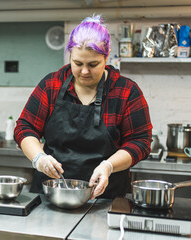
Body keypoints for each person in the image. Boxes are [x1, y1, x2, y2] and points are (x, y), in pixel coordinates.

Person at [14, 15, 152, 199]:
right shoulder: (51, 85)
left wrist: (108, 166)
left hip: (105, 198)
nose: (84, 71)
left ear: (106, 56)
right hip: (51, 194)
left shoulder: (126, 91)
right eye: (78, 63)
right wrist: (39, 158)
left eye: (93, 64)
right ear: (70, 55)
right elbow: (25, 128)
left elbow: (140, 141)